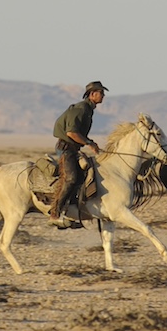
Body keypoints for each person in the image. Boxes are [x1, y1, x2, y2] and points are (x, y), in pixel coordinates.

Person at [48, 81, 107, 228]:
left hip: (73, 149)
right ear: (92, 94)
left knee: (84, 176)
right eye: (101, 93)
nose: (103, 96)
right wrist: (89, 143)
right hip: (66, 148)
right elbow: (71, 132)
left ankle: (71, 210)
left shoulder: (88, 109)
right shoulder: (81, 109)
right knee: (71, 178)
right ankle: (54, 214)